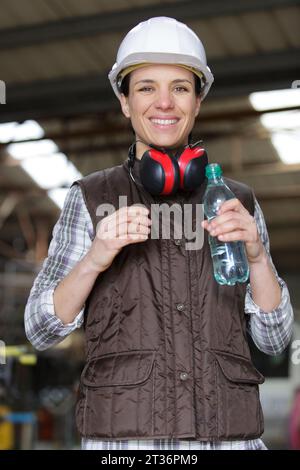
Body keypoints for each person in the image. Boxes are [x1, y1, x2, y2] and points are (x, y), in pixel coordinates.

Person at [25, 17, 293, 450]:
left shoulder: (236, 202)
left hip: (228, 440)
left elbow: (276, 341)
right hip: (126, 447)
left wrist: (258, 258)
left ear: (197, 102)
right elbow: (40, 329)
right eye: (147, 87)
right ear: (125, 103)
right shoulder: (91, 197)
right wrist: (95, 258)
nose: (164, 103)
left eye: (181, 88)